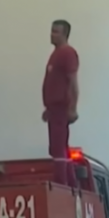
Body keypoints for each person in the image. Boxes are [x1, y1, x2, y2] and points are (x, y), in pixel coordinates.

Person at [42, 19, 80, 187]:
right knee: (59, 147)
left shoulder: (67, 53)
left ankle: (62, 182)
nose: (52, 34)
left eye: (56, 31)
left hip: (61, 108)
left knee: (58, 147)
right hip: (53, 108)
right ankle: (71, 181)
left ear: (65, 34)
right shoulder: (55, 54)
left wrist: (72, 108)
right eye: (51, 30)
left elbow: (73, 83)